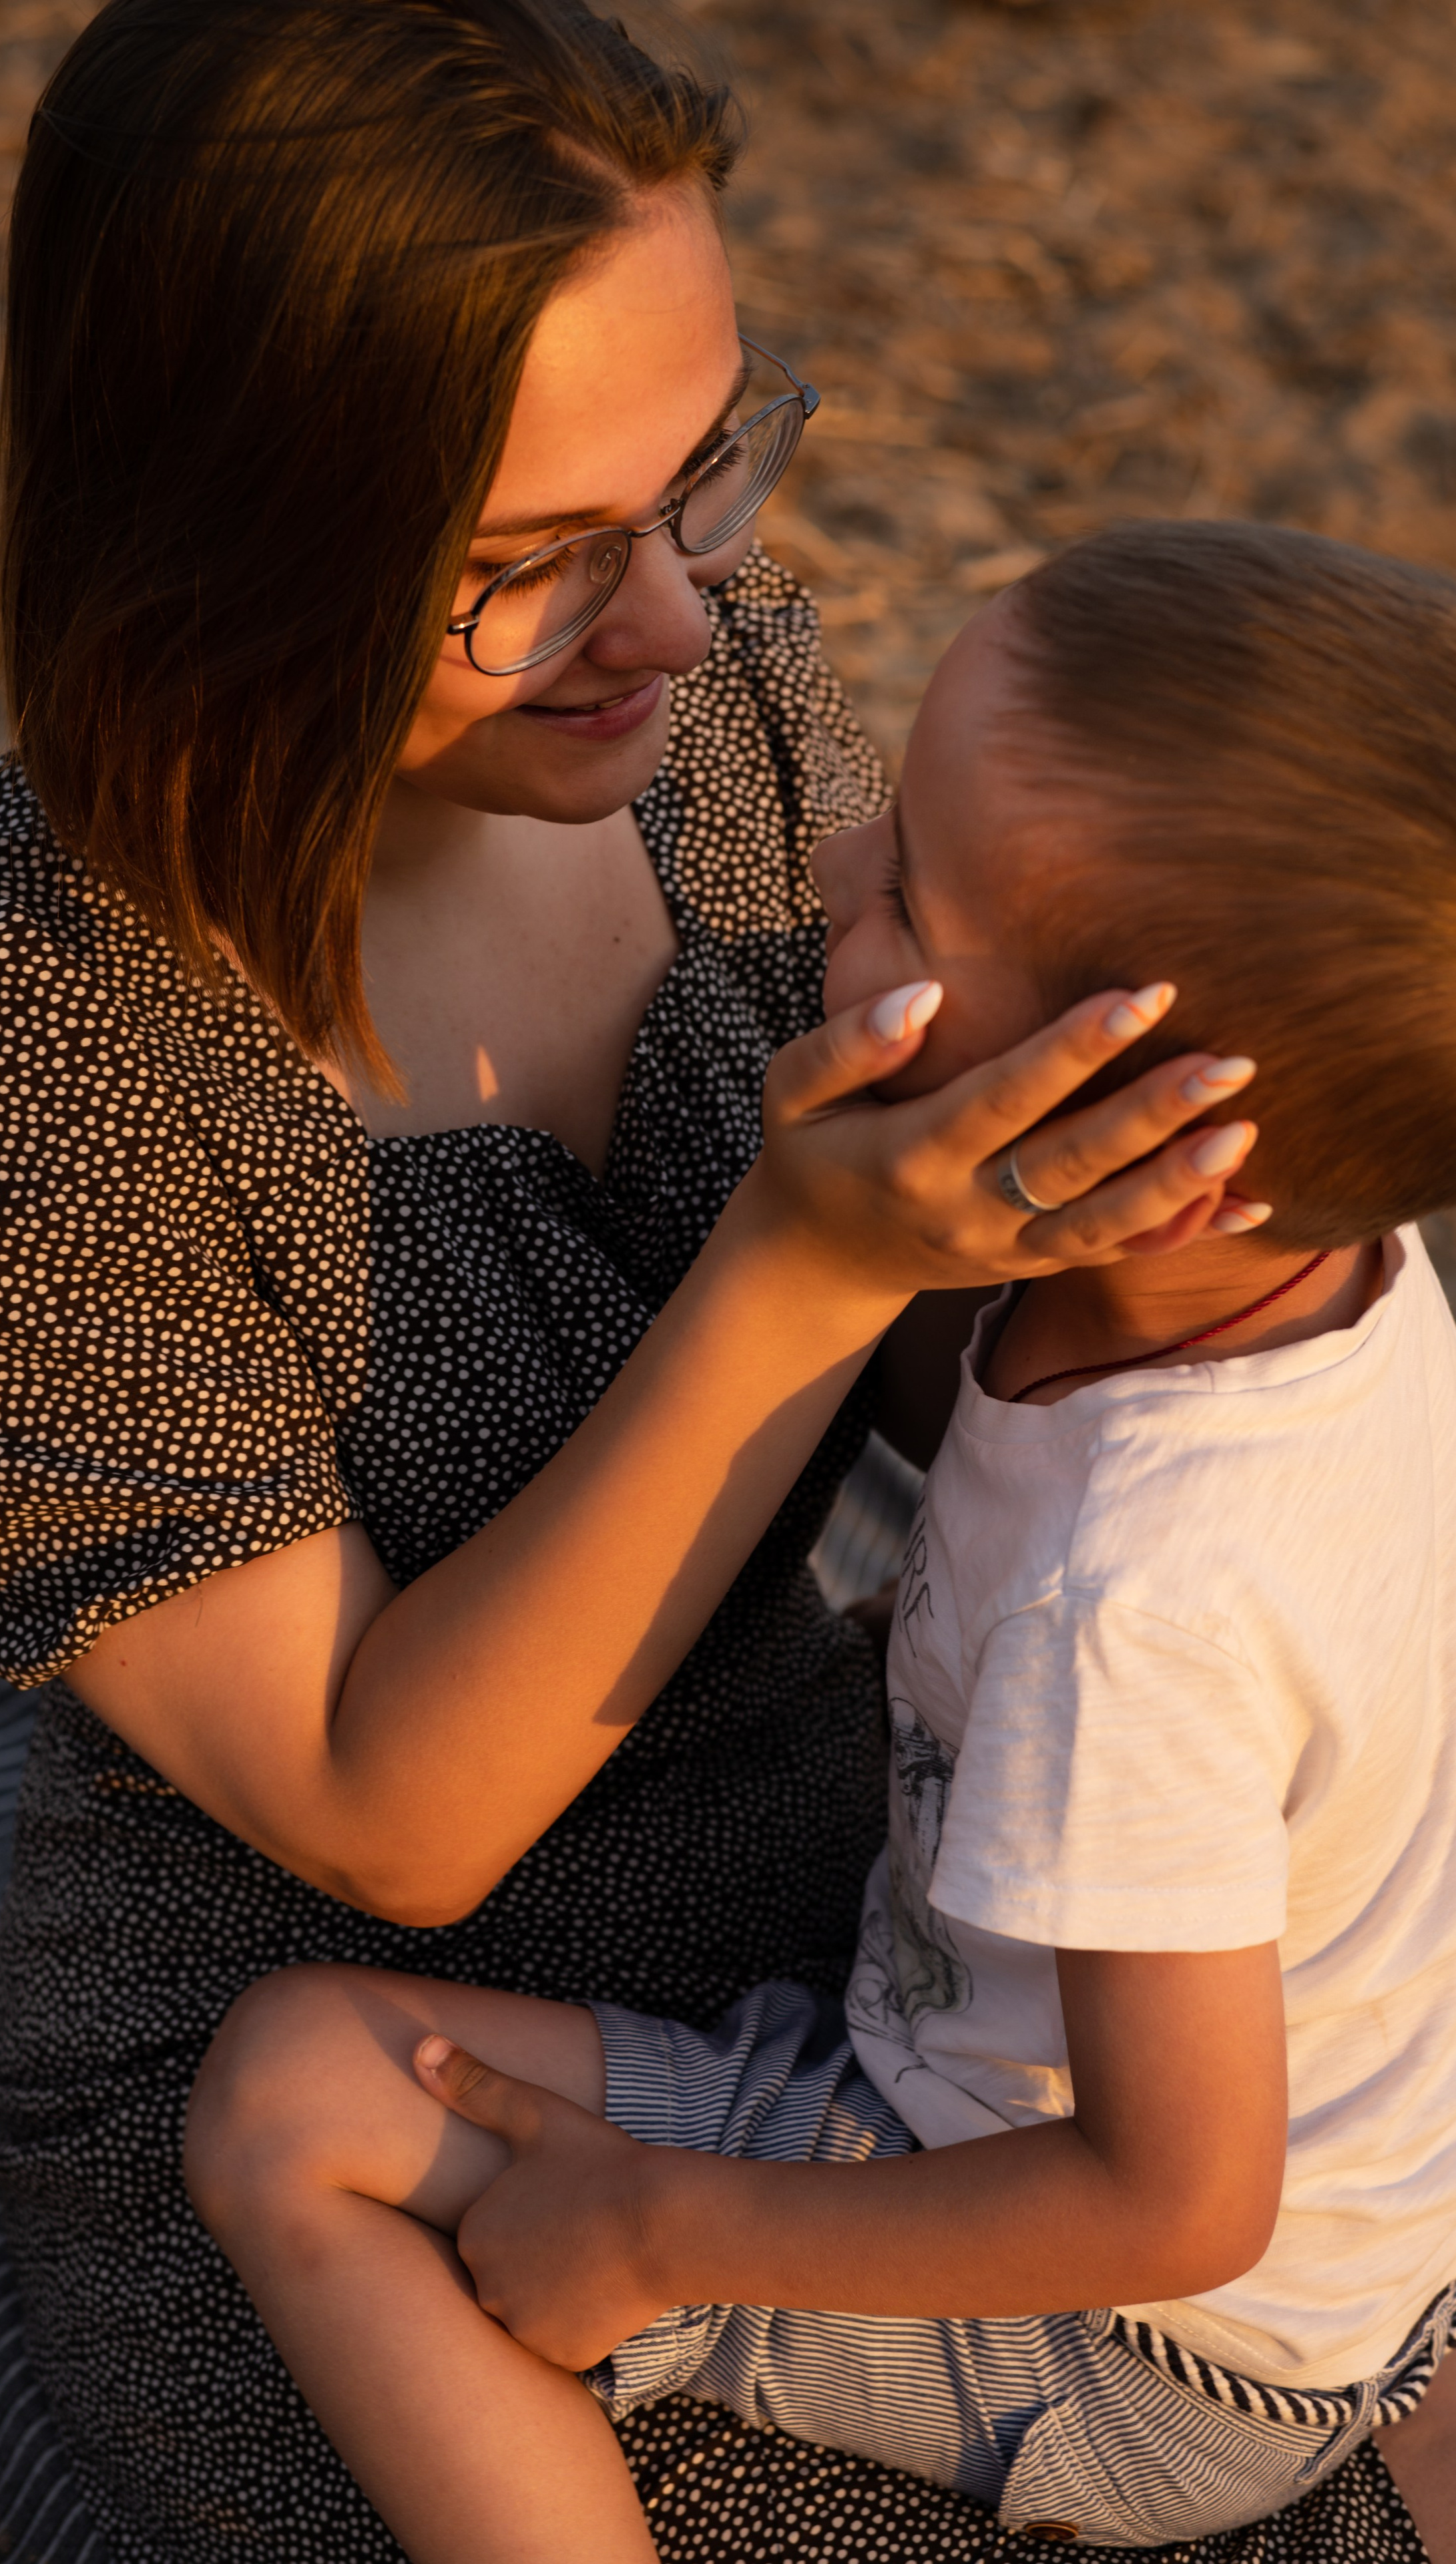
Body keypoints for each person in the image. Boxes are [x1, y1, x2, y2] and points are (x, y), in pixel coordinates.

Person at [0, 3, 1344, 2556]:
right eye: (531, 562)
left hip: (890, 1942)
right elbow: (383, 1818)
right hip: (363, 2134)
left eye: (700, 471)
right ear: (214, 526)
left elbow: (991, 1387)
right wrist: (797, 1272)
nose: (679, 619)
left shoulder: (708, 729)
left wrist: (1140, 1257)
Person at [180, 521, 1456, 2555]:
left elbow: (1172, 2197)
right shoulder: (1339, 1272)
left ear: (1161, 1148)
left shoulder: (1140, 1606)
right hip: (1353, 2228)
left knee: (296, 2096)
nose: (837, 863)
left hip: (1142, 2347)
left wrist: (664, 2225)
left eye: (912, 894)